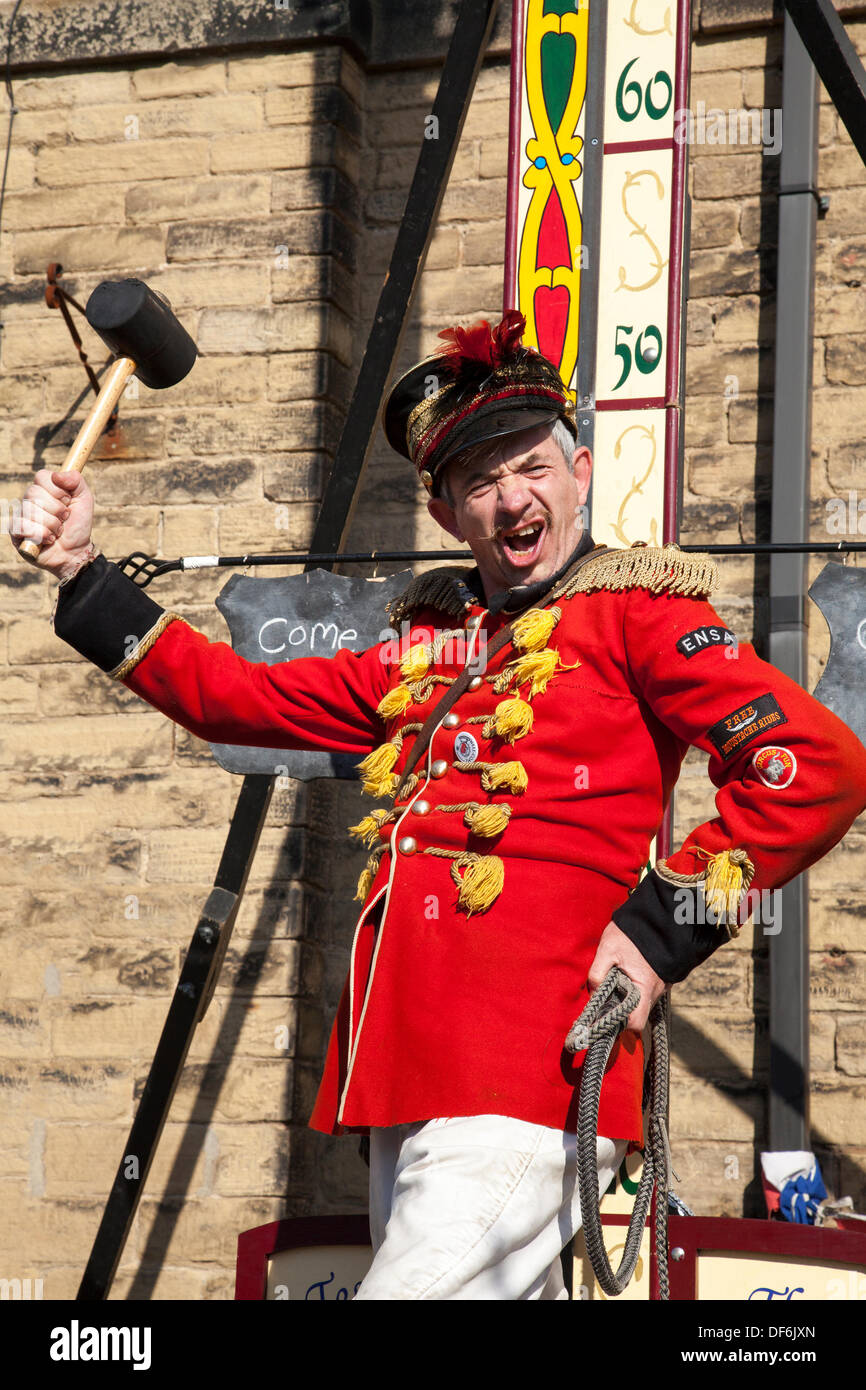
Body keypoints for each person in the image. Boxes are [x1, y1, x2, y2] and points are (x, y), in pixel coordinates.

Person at [11, 310, 866, 1300]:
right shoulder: (430, 649)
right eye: (479, 481)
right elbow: (229, 698)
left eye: (532, 467)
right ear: (445, 511)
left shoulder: (637, 609)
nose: (512, 500)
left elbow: (811, 764)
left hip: (528, 1064)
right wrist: (82, 569)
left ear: (579, 473)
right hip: (409, 1074)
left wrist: (662, 928)